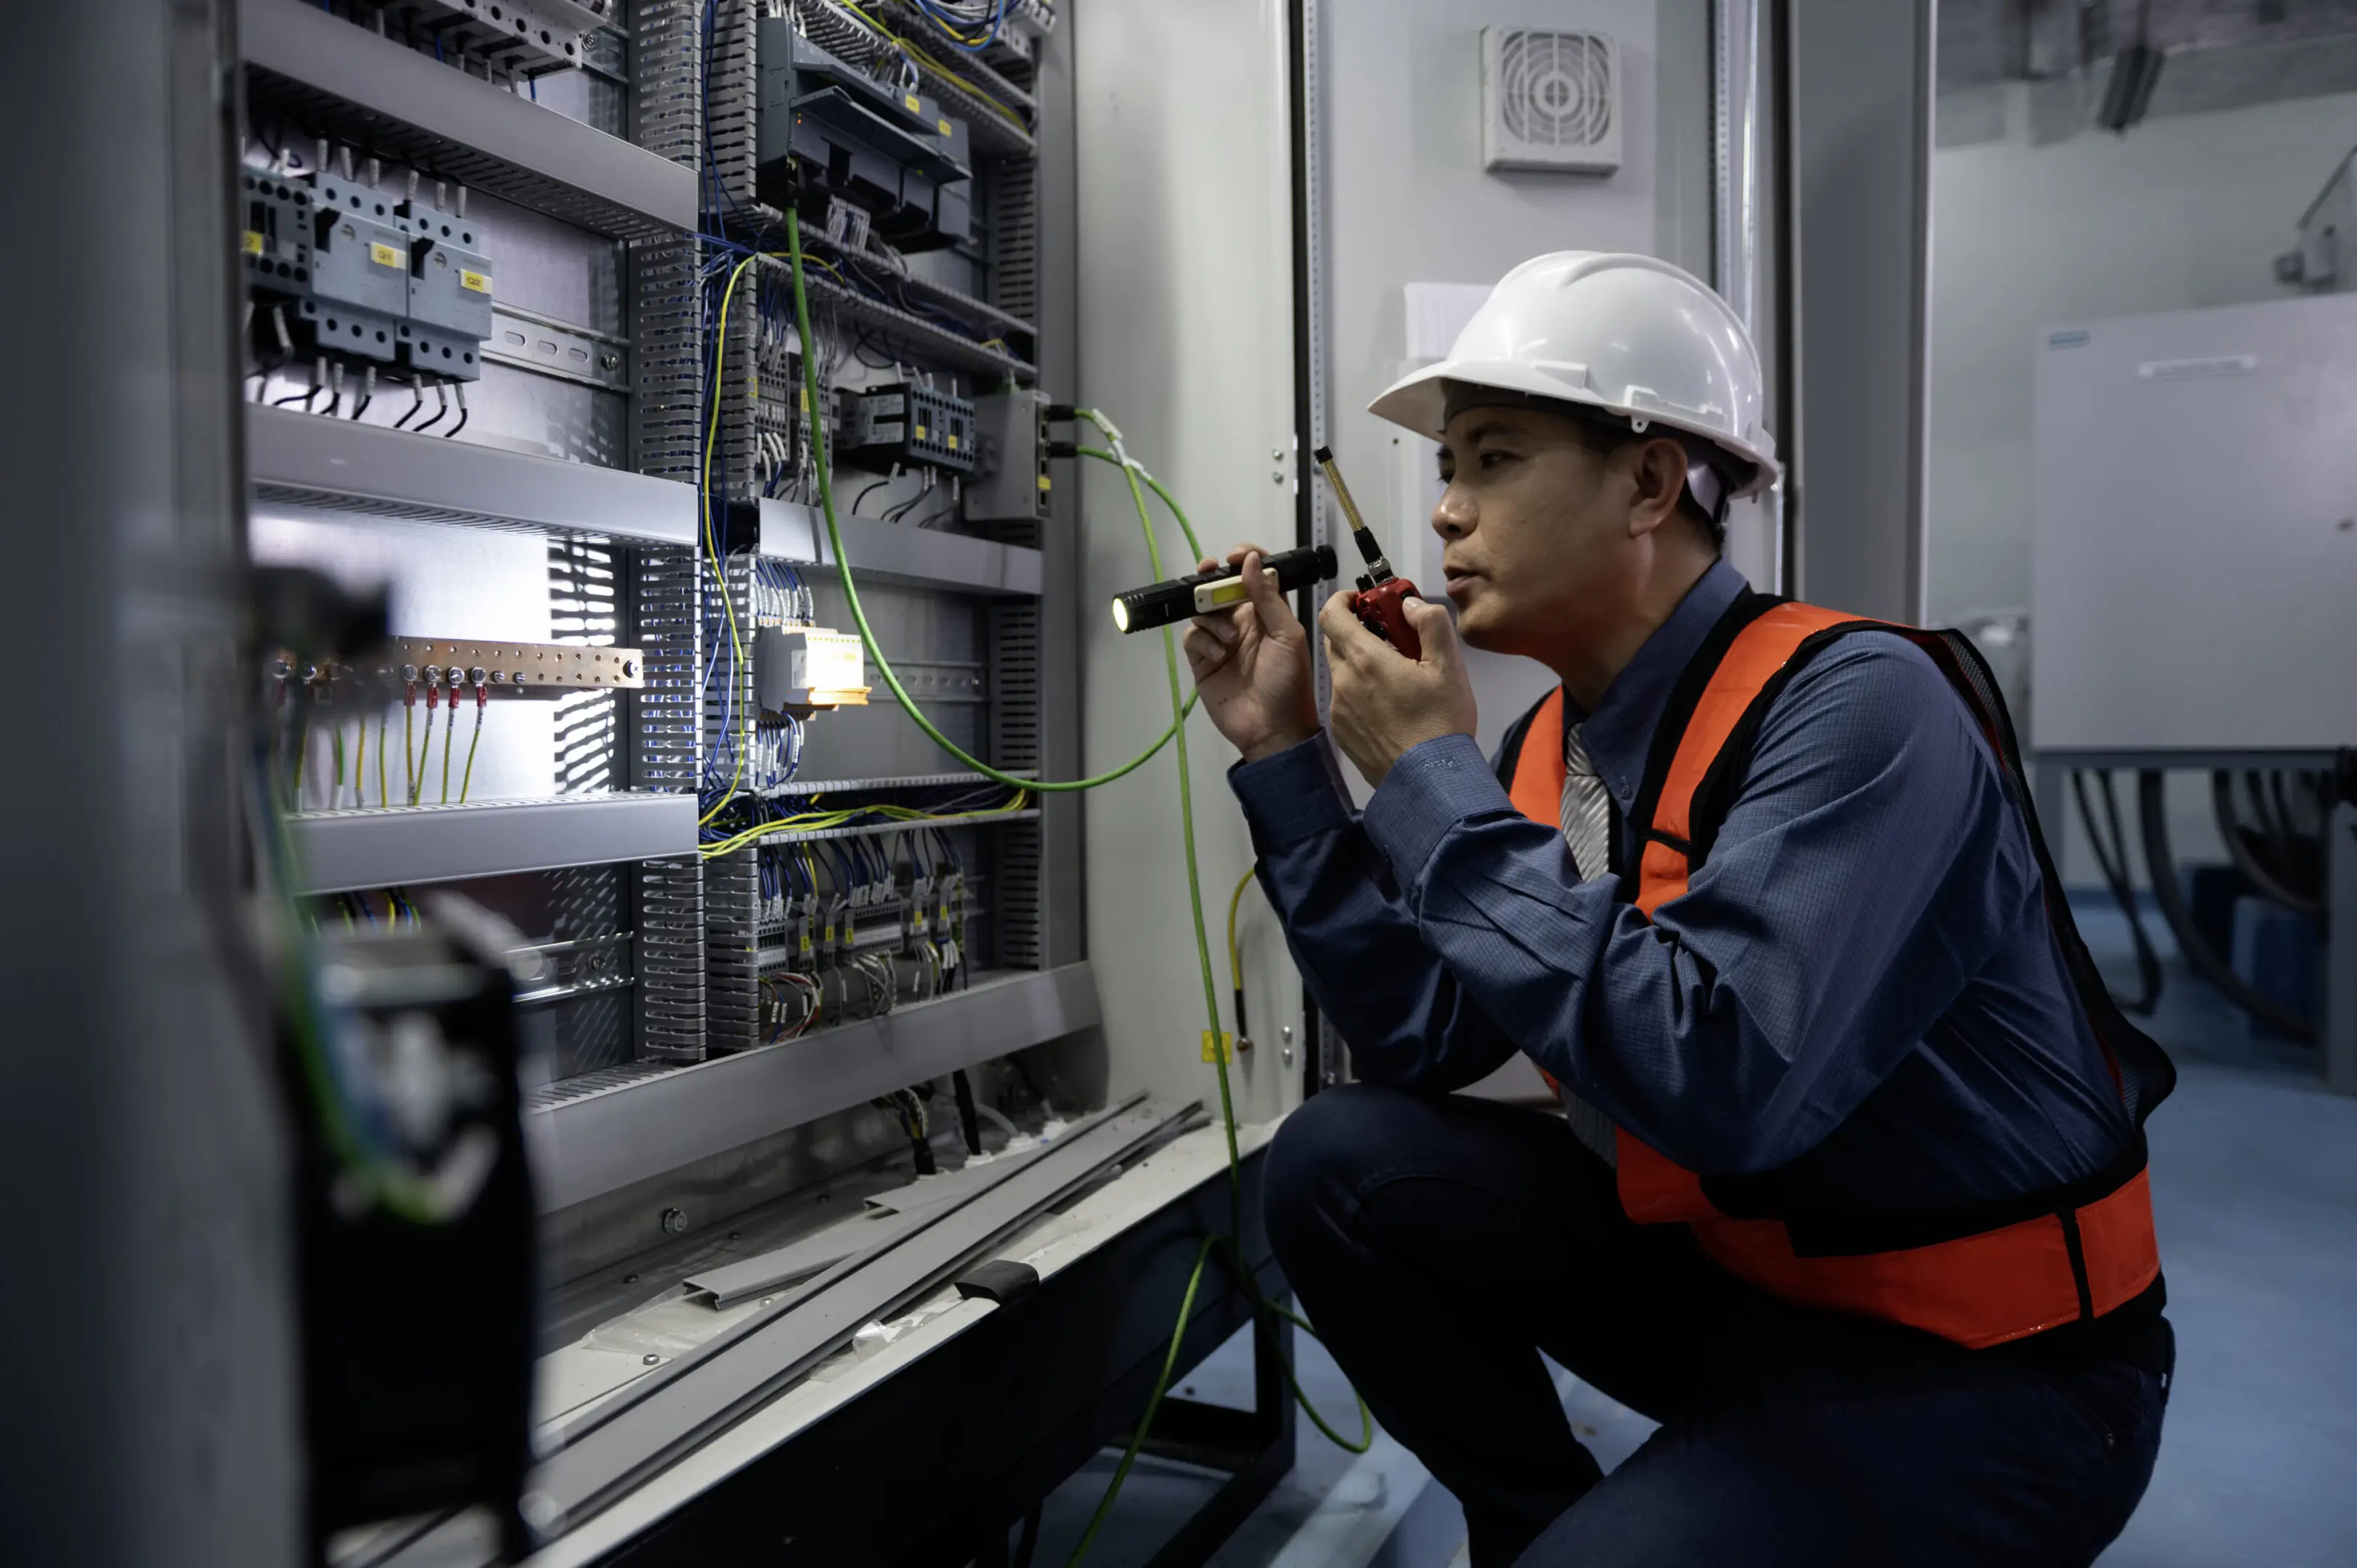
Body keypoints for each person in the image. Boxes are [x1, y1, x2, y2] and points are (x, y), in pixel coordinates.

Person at [1182, 253, 2177, 1567]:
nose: (1443, 518)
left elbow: (1719, 1077)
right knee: (1337, 1161)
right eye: (1444, 471)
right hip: (1750, 1303)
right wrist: (1283, 760)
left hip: (1993, 1372)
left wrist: (1427, 784)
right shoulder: (1550, 747)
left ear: (1649, 483)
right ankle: (1534, 1525)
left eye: (1492, 459)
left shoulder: (1858, 703)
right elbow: (1430, 1037)